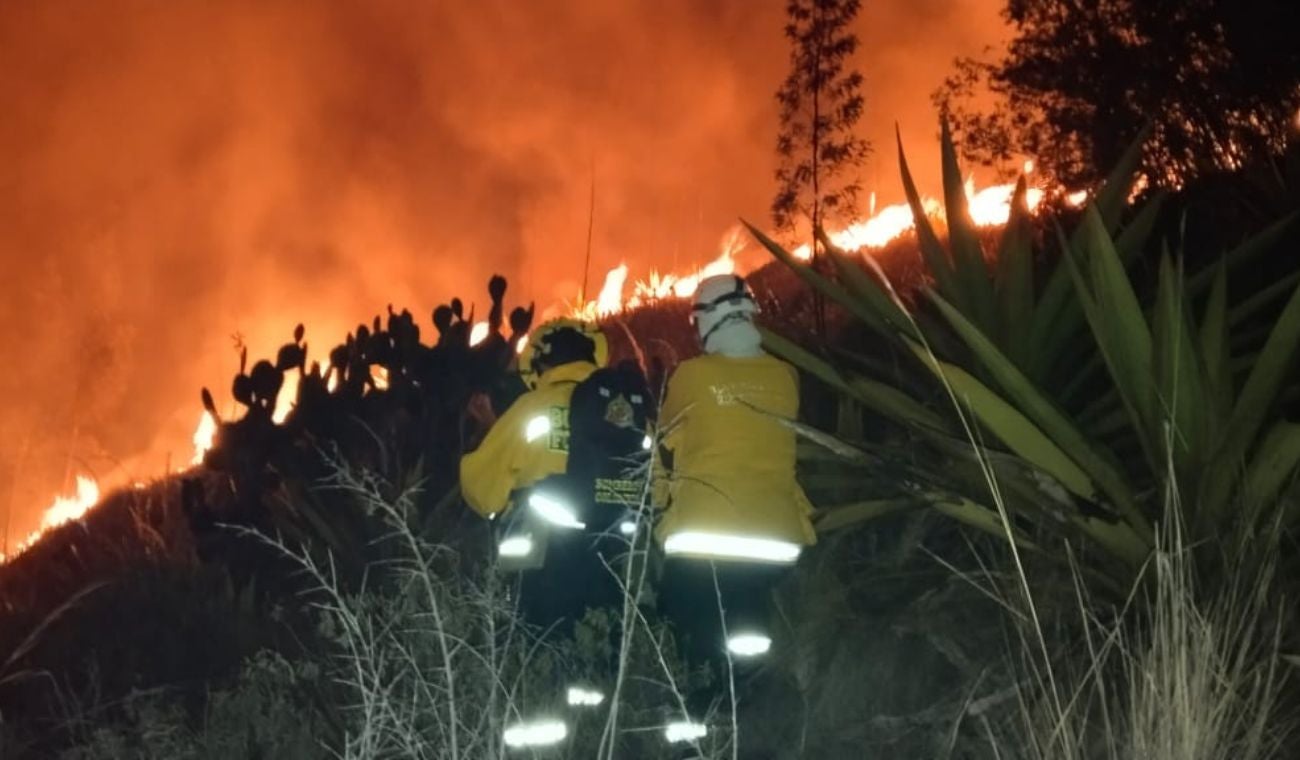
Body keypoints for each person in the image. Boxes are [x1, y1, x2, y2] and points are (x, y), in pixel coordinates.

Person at [651, 273, 816, 737]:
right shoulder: (786, 376)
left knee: (693, 639)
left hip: (705, 540)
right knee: (746, 635)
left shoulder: (693, 376)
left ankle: (695, 738)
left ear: (706, 321)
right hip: (777, 543)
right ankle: (753, 716)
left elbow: (664, 446)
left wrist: (659, 508)